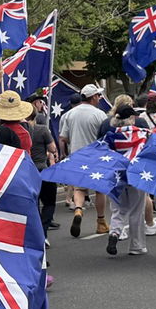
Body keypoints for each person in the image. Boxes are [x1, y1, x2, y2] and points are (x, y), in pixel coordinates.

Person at [59, 84, 110, 237]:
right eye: (98, 96)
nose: (99, 98)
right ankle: (101, 222)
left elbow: (63, 138)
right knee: (100, 190)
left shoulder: (69, 115)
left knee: (79, 189)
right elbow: (105, 138)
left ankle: (78, 210)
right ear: (93, 97)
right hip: (96, 156)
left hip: (77, 155)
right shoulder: (100, 115)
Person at [104, 104, 151, 257]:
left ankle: (114, 233)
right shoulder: (143, 134)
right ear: (131, 118)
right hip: (135, 175)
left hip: (116, 175)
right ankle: (136, 246)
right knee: (136, 210)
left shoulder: (111, 136)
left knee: (118, 208)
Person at [28, 96, 61, 231]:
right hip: (42, 168)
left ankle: (36, 229)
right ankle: (44, 228)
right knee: (49, 202)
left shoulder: (20, 131)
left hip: (28, 170)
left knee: (33, 202)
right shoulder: (42, 130)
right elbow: (52, 148)